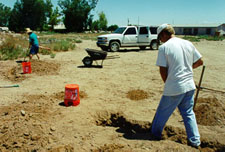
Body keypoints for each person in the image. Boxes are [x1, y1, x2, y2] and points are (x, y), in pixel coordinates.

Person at [151, 23, 203, 148]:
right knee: (188, 113)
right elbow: (200, 61)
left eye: (160, 38)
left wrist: (169, 83)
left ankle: (154, 135)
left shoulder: (165, 47)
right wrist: (186, 69)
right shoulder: (187, 43)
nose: (160, 40)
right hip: (190, 86)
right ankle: (195, 142)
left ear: (163, 34)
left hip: (175, 87)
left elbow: (163, 70)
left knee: (162, 113)